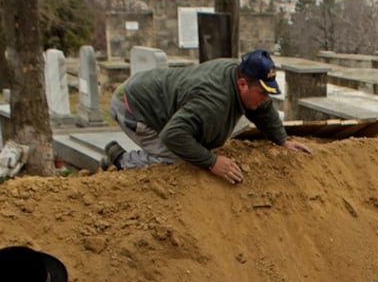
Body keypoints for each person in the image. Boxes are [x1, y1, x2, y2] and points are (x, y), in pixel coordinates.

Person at [101, 49, 312, 184]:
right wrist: (212, 162)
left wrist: (282, 140)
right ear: (242, 84)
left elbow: (263, 108)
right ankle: (121, 159)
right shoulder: (213, 101)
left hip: (155, 94)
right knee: (179, 158)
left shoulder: (240, 75)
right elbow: (173, 135)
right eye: (262, 92)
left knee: (194, 146)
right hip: (132, 106)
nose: (266, 99)